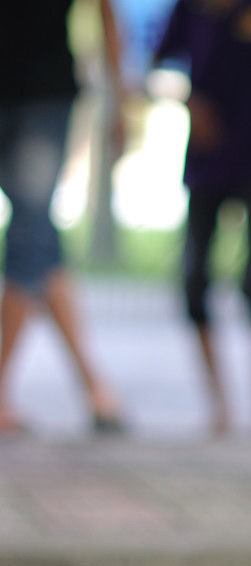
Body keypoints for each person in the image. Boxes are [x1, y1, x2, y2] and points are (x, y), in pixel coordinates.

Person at [153, 0, 251, 436]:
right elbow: (158, 63)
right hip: (206, 158)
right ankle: (220, 407)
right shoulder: (189, 10)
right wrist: (190, 103)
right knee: (194, 280)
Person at [0, 0, 128, 436]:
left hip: (41, 94)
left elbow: (106, 12)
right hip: (26, 93)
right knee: (39, 243)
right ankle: (95, 388)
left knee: (30, 235)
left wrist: (119, 99)